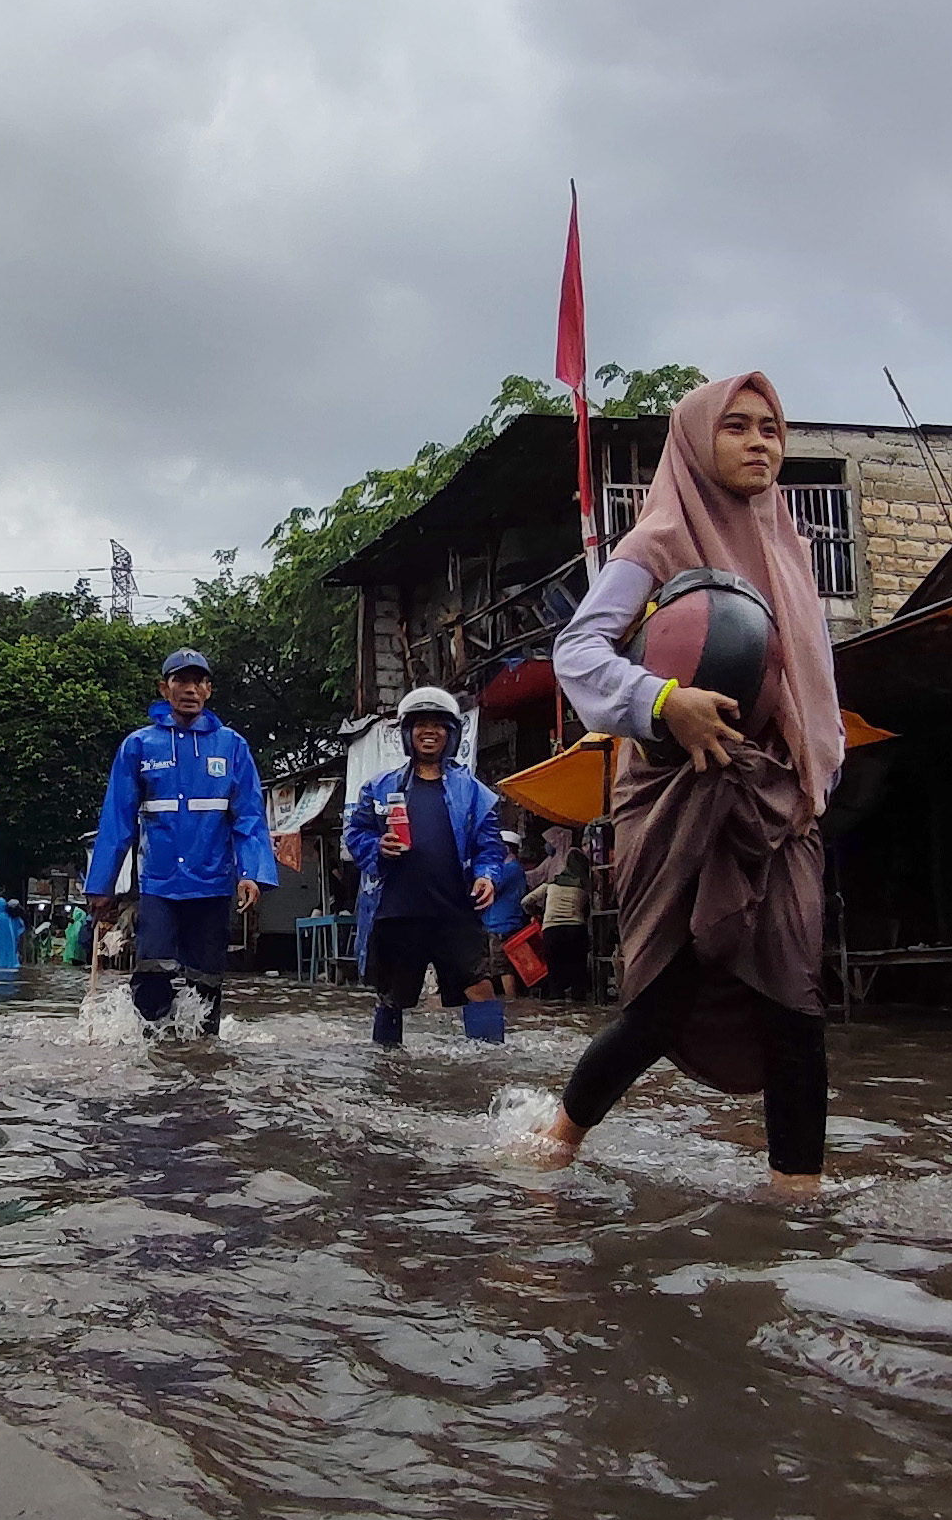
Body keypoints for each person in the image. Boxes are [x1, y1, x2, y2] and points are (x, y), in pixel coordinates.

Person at [529, 373, 843, 1194]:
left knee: (794, 997)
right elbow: (579, 652)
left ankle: (795, 1199)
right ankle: (556, 1142)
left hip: (778, 802)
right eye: (735, 427)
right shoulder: (658, 541)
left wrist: (818, 772)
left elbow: (816, 682)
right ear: (698, 443)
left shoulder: (793, 548)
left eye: (770, 428)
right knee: (663, 997)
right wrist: (664, 701)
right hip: (678, 795)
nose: (758, 443)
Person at [84, 648, 279, 1036]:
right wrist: (101, 885)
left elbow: (250, 817)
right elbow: (117, 820)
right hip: (159, 885)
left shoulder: (232, 746)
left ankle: (198, 1063)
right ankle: (151, 1066)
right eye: (180, 681)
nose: (190, 689)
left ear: (208, 690)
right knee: (152, 975)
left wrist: (251, 873)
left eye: (198, 682)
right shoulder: (139, 746)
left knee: (206, 984)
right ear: (164, 688)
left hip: (212, 885)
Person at [344, 687, 512, 1046]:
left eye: (438, 726)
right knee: (391, 999)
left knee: (481, 987)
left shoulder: (475, 792)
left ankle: (491, 1066)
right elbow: (355, 833)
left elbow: (489, 845)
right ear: (408, 733)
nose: (429, 732)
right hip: (397, 911)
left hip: (455, 910)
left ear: (451, 734)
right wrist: (378, 847)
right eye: (421, 725)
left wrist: (487, 875)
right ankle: (388, 1073)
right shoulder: (379, 788)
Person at [524, 847, 593, 998]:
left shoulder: (550, 885)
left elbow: (526, 901)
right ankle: (578, 1014)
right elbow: (588, 911)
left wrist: (536, 913)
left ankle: (557, 1014)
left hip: (552, 932)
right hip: (576, 931)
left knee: (555, 977)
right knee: (578, 976)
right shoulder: (584, 888)